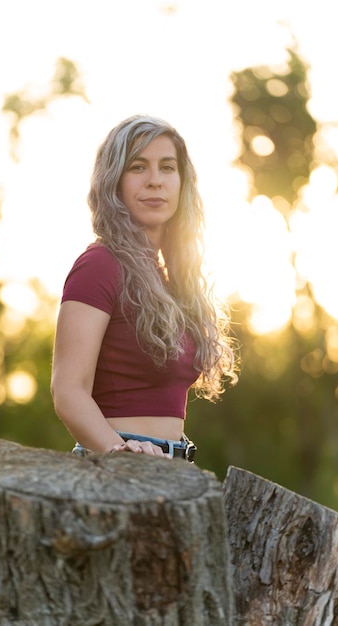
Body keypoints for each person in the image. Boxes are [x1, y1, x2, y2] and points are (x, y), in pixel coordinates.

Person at [51, 115, 237, 461]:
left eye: (167, 167)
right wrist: (120, 453)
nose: (155, 181)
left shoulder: (172, 281)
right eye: (138, 167)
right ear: (114, 181)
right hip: (116, 466)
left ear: (183, 182)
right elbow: (68, 390)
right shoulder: (99, 265)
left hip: (169, 466)